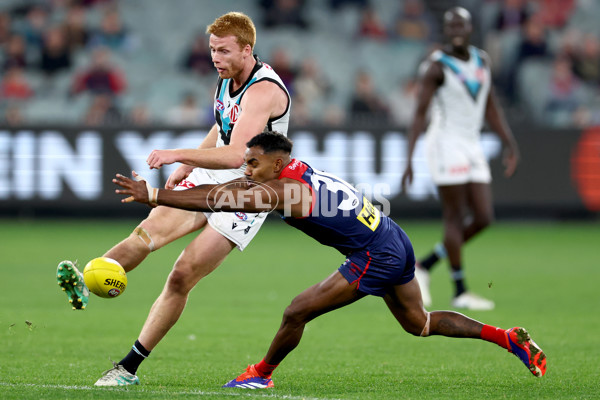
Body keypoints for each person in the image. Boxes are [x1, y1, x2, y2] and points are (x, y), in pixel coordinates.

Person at [113, 131, 546, 389]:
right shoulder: (295, 169)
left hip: (375, 253)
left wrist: (153, 195)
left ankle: (260, 373)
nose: (246, 169)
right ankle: (505, 337)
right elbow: (235, 190)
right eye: (246, 161)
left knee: (295, 312)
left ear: (278, 163)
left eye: (254, 163)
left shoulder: (285, 190)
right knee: (421, 324)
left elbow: (219, 199)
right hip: (392, 236)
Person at [55, 12, 291, 386]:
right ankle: (88, 280)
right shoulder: (228, 76)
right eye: (212, 49)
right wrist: (192, 161)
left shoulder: (265, 90)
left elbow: (236, 154)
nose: (215, 57)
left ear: (248, 50)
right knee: (146, 234)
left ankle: (127, 368)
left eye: (224, 50)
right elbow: (223, 123)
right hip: (212, 174)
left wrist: (177, 155)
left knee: (182, 275)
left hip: (248, 192)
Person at [401, 7, 520, 310]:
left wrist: (509, 142)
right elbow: (418, 115)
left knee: (483, 218)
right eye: (450, 25)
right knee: (454, 217)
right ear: (444, 29)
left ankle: (424, 265)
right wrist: (409, 158)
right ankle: (460, 290)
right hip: (444, 143)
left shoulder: (482, 59)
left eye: (460, 25)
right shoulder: (436, 67)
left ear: (470, 28)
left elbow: (490, 105)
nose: (455, 30)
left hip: (471, 143)